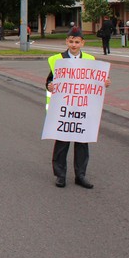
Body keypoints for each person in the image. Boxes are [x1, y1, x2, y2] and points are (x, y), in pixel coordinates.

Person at [45, 26, 110, 188]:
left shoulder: (90, 60)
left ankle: (80, 175)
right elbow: (49, 81)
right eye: (71, 42)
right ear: (66, 42)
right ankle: (60, 175)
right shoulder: (57, 59)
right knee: (62, 142)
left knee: (82, 141)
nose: (73, 45)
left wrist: (104, 83)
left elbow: (95, 81)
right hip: (64, 109)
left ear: (82, 43)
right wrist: (49, 86)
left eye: (77, 42)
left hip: (83, 108)